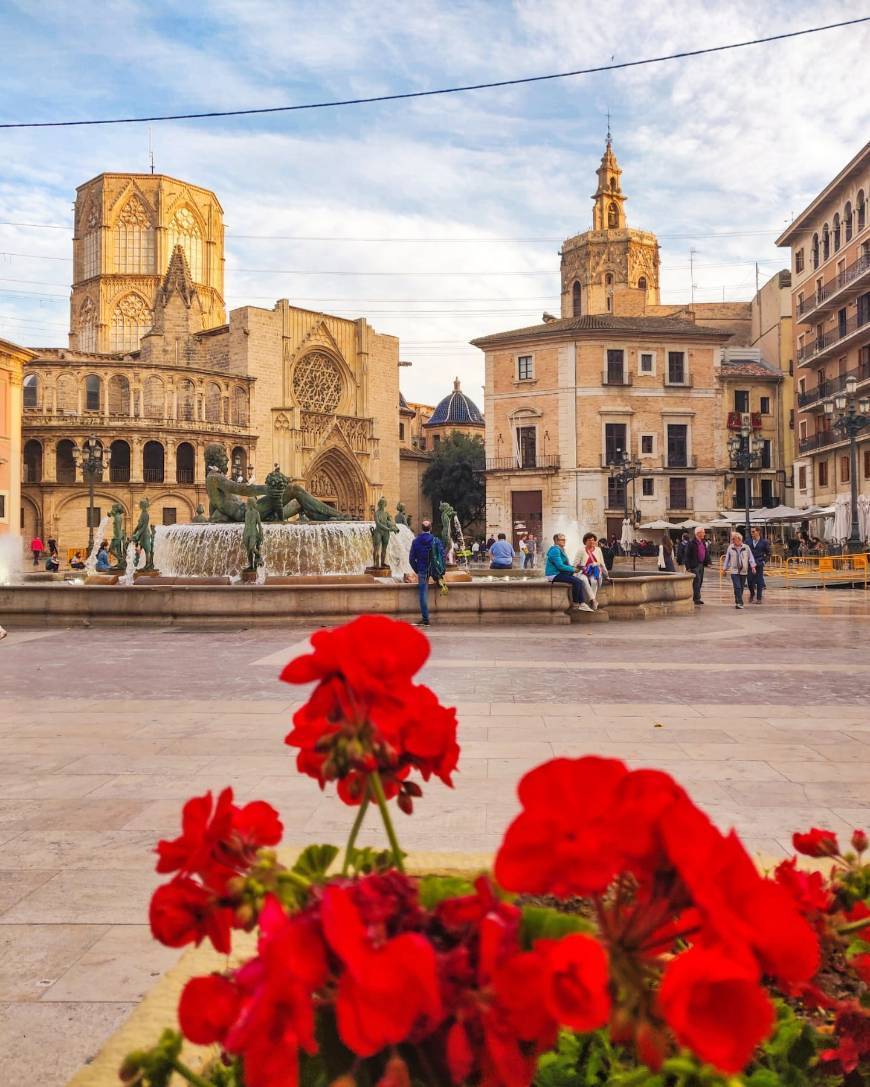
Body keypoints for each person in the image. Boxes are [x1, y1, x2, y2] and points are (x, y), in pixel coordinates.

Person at [408, 519, 446, 627]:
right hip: (434, 569)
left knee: (423, 593)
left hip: (422, 569)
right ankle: (439, 579)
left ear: (421, 528)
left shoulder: (415, 541)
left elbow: (411, 559)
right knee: (439, 582)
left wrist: (417, 569)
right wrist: (442, 570)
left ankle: (425, 619)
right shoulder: (436, 540)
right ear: (430, 528)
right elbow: (442, 556)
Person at [546, 533, 592, 612]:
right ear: (556, 541)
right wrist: (573, 569)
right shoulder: (555, 550)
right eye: (562, 540)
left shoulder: (560, 549)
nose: (564, 541)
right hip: (554, 574)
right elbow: (560, 566)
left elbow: (565, 565)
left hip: (559, 573)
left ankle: (582, 602)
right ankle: (577, 603)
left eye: (565, 539)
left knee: (579, 578)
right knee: (577, 581)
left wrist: (575, 568)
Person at [722, 530, 756, 609]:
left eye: (734, 539)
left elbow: (751, 557)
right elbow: (727, 559)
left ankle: (737, 601)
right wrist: (724, 569)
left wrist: (753, 567)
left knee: (740, 587)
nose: (732, 540)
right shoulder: (731, 547)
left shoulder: (746, 547)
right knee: (737, 586)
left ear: (739, 539)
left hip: (743, 571)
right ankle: (740, 603)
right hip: (734, 570)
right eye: (732, 539)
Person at [576, 532, 609, 610]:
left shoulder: (598, 550)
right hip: (583, 572)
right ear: (585, 541)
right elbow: (575, 564)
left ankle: (591, 600)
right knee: (584, 580)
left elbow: (602, 563)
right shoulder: (581, 550)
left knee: (594, 581)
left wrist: (607, 575)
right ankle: (593, 600)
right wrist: (584, 567)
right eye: (589, 540)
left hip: (595, 572)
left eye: (593, 540)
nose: (592, 542)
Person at [684, 526, 712, 606]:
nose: (704, 534)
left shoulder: (702, 542)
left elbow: (705, 552)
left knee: (700, 581)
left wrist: (708, 561)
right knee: (697, 581)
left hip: (701, 564)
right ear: (698, 533)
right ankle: (697, 598)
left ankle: (696, 597)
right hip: (694, 564)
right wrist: (688, 567)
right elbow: (687, 555)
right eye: (703, 532)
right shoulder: (691, 543)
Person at [747, 526, 771, 604]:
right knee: (750, 581)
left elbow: (769, 553)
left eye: (753, 532)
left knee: (759, 581)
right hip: (750, 564)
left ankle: (759, 598)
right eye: (751, 532)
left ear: (758, 532)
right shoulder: (748, 541)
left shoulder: (764, 542)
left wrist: (764, 561)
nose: (752, 533)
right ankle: (752, 593)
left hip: (759, 563)